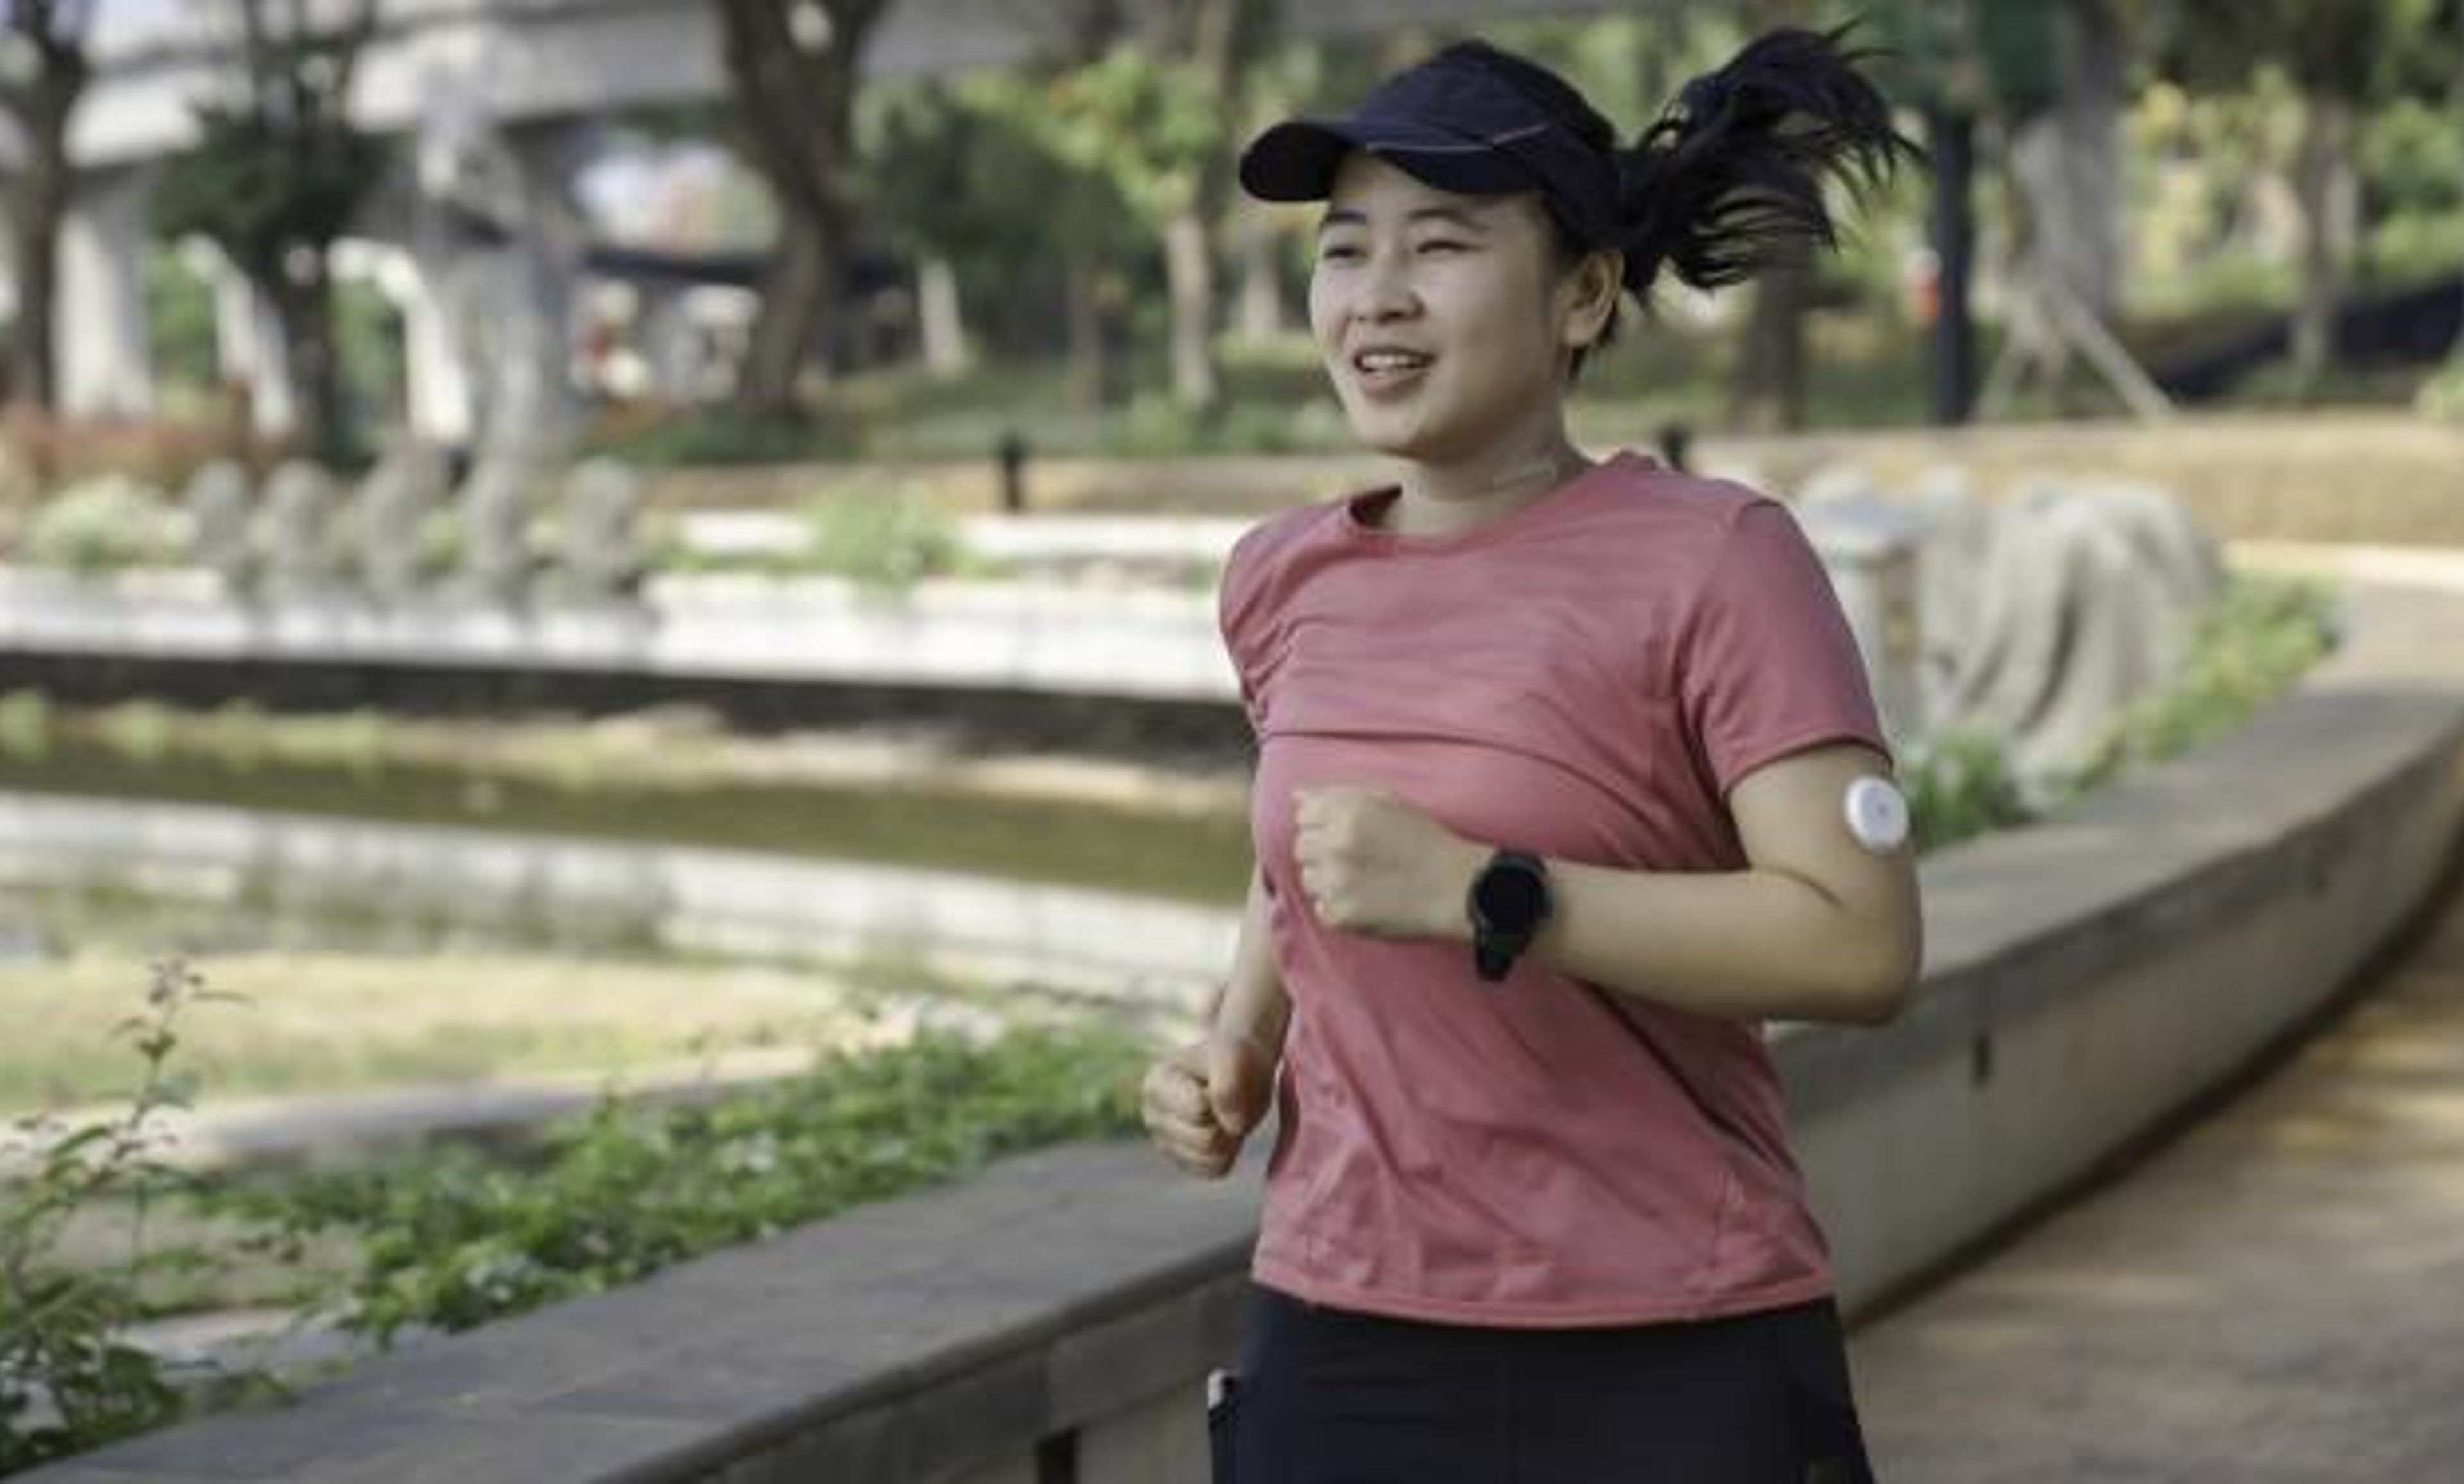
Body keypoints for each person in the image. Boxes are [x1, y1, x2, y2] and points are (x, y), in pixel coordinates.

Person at [1138, 25, 1926, 1484]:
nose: (1376, 296)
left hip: (1667, 1334)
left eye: (1438, 247)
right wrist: (1237, 1040)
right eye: (1345, 250)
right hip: (1340, 1317)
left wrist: (1491, 893)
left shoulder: (1718, 560)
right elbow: (1307, 847)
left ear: (1582, 293)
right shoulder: (1279, 573)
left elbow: (1860, 941)